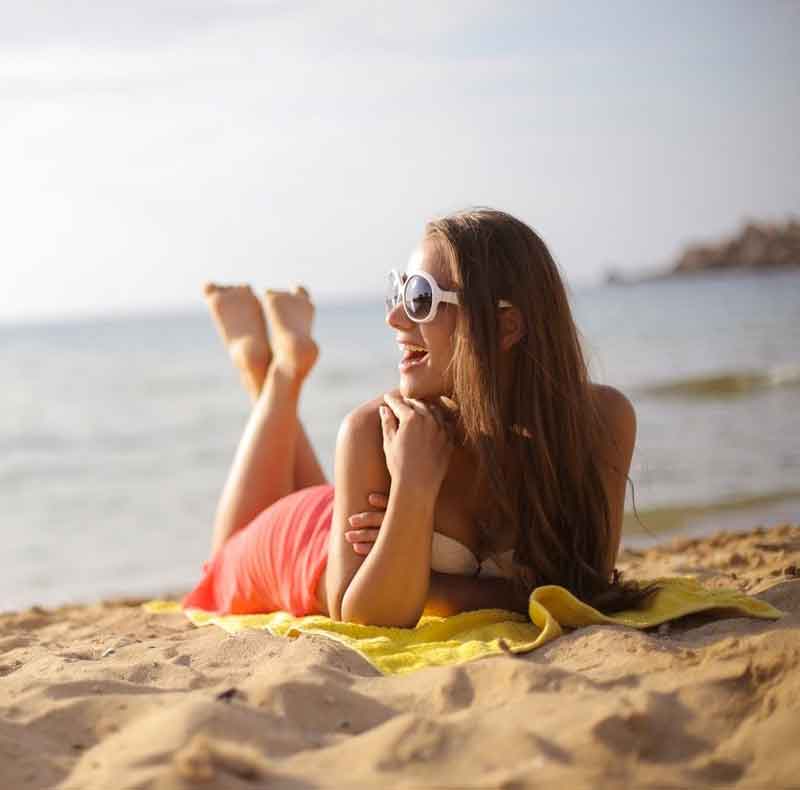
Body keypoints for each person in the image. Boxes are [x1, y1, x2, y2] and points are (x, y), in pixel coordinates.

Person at [183, 208, 639, 627]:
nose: (395, 319)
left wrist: (426, 579)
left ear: (506, 327)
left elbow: (587, 589)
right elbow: (362, 616)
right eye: (399, 292)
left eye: (421, 297)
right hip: (302, 544)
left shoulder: (601, 423)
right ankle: (279, 371)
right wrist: (413, 485)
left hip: (349, 510)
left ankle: (269, 365)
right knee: (219, 567)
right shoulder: (376, 432)